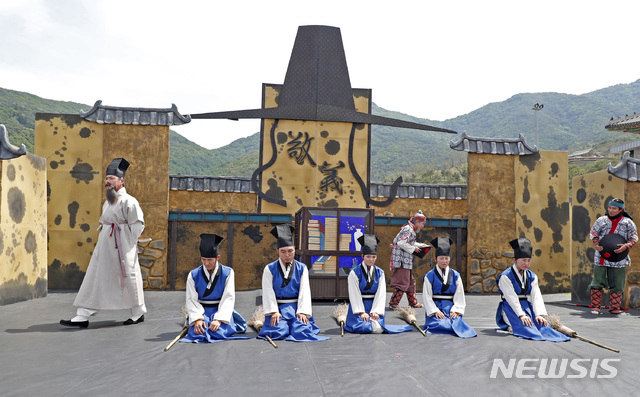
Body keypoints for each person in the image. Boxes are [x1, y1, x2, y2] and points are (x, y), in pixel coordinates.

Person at [60, 158, 146, 328]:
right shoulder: (108, 201)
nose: (107, 181)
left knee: (129, 277)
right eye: (106, 178)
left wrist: (126, 242)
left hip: (122, 246)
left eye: (111, 178)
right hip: (105, 246)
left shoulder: (130, 201)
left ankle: (138, 312)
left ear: (122, 181)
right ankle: (83, 314)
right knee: (95, 276)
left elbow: (137, 225)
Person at [258, 224, 329, 342]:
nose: (287, 255)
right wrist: (274, 311)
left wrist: (302, 311)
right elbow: (267, 291)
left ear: (294, 249)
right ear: (277, 251)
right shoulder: (269, 268)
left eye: (290, 251)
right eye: (283, 251)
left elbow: (304, 291)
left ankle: (297, 323)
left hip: (296, 307)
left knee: (302, 331)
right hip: (278, 308)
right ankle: (282, 324)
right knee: (278, 332)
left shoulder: (302, 268)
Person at [495, 238, 569, 342]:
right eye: (523, 260)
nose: (526, 263)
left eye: (529, 260)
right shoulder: (506, 277)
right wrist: (521, 315)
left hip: (526, 306)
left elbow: (536, 295)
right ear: (515, 260)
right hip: (510, 308)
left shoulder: (532, 276)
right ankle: (510, 325)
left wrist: (539, 314)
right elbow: (511, 298)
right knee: (526, 328)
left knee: (543, 326)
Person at [180, 233, 249, 343]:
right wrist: (197, 319)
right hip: (201, 311)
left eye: (210, 260)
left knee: (218, 332)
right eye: (203, 259)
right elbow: (191, 299)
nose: (206, 263)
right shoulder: (193, 274)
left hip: (220, 309)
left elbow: (228, 298)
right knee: (199, 332)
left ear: (217, 257)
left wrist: (218, 319)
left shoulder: (228, 273)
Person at [344, 234, 412, 334]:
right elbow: (354, 294)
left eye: (373, 257)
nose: (371, 259)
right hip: (358, 308)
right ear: (362, 256)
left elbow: (381, 294)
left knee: (377, 329)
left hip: (374, 306)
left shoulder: (380, 273)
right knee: (364, 328)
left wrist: (376, 311)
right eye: (368, 257)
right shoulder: (354, 273)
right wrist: (362, 312)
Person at [589, 198, 637, 315]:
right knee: (597, 281)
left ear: (621, 209)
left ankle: (614, 307)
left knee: (618, 282)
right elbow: (593, 234)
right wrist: (597, 245)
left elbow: (634, 238)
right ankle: (596, 307)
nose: (611, 210)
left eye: (614, 208)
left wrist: (626, 246)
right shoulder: (601, 220)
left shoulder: (628, 223)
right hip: (601, 256)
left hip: (619, 257)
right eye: (609, 208)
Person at [422, 237, 476, 338]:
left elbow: (459, 294)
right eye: (441, 258)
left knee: (456, 323)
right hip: (436, 307)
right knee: (440, 324)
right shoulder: (429, 276)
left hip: (450, 307)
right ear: (435, 259)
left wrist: (456, 310)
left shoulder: (455, 275)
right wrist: (435, 311)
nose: (444, 261)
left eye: (446, 258)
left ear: (449, 259)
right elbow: (427, 296)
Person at [389, 210, 429, 308]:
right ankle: (394, 303)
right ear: (417, 222)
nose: (423, 226)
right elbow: (401, 243)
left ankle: (413, 302)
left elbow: (408, 242)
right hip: (402, 260)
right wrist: (413, 248)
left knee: (410, 281)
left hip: (405, 260)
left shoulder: (411, 229)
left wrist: (420, 245)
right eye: (422, 223)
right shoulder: (408, 229)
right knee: (402, 281)